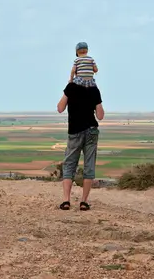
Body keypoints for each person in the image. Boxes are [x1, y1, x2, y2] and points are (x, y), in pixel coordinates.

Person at [57, 72, 104, 211]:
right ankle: (84, 202)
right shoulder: (94, 89)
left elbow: (60, 108)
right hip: (91, 130)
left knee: (69, 165)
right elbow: (100, 116)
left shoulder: (71, 87)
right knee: (89, 165)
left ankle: (66, 201)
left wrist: (70, 81)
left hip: (75, 131)